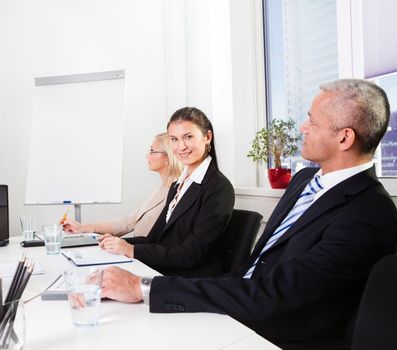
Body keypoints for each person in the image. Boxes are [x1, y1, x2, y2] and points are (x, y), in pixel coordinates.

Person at [101, 79, 397, 348]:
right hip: (241, 302)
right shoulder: (304, 180)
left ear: (345, 139)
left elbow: (277, 294)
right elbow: (252, 271)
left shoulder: (370, 213)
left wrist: (146, 287)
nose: (303, 127)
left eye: (312, 121)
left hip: (274, 333)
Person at [99, 107, 235, 278]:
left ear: (207, 137)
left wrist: (130, 250)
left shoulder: (218, 188)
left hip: (190, 279)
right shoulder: (179, 184)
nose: (181, 146)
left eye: (188, 137)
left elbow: (190, 254)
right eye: (174, 139)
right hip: (166, 269)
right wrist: (117, 243)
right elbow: (155, 239)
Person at [63, 133, 182, 237]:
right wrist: (83, 228)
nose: (147, 155)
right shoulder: (158, 190)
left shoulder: (179, 192)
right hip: (140, 253)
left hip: (150, 257)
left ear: (168, 157)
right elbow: (128, 222)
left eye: (152, 151)